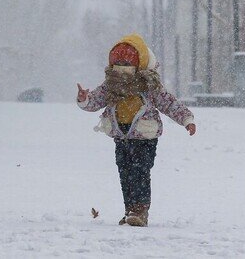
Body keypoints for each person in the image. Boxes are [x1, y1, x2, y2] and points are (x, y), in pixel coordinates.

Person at [76, 33, 196, 227]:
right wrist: (84, 99)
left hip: (145, 138)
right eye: (119, 63)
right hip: (122, 136)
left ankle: (140, 210)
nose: (123, 69)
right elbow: (96, 101)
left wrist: (187, 119)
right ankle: (130, 209)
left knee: (140, 171)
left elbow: (169, 103)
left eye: (127, 63)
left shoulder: (149, 86)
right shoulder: (111, 86)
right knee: (125, 172)